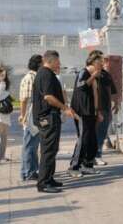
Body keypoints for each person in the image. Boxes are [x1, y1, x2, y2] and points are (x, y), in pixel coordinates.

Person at [32, 50, 74, 193]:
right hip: (47, 117)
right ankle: (43, 183)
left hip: (50, 116)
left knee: (52, 149)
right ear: (50, 61)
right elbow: (48, 97)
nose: (59, 64)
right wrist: (64, 108)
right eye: (57, 61)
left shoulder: (47, 74)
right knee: (48, 150)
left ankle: (49, 178)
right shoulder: (46, 74)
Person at [69, 50, 104, 177]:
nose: (102, 64)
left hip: (91, 112)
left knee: (92, 140)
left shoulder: (96, 76)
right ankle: (74, 167)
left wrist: (98, 111)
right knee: (83, 139)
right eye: (100, 61)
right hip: (82, 112)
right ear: (94, 62)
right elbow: (81, 87)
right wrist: (93, 76)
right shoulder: (84, 72)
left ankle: (87, 165)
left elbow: (95, 95)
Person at [18, 54, 42, 181]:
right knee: (29, 145)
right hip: (31, 116)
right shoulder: (30, 78)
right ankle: (28, 172)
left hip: (34, 115)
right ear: (38, 64)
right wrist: (23, 116)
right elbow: (24, 99)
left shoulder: (35, 76)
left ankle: (30, 170)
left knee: (33, 145)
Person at [94, 59, 118, 165]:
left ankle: (97, 155)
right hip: (95, 109)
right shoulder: (91, 75)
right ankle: (93, 156)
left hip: (106, 108)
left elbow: (113, 90)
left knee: (102, 133)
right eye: (101, 61)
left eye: (104, 62)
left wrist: (116, 102)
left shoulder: (106, 75)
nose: (103, 63)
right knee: (95, 134)